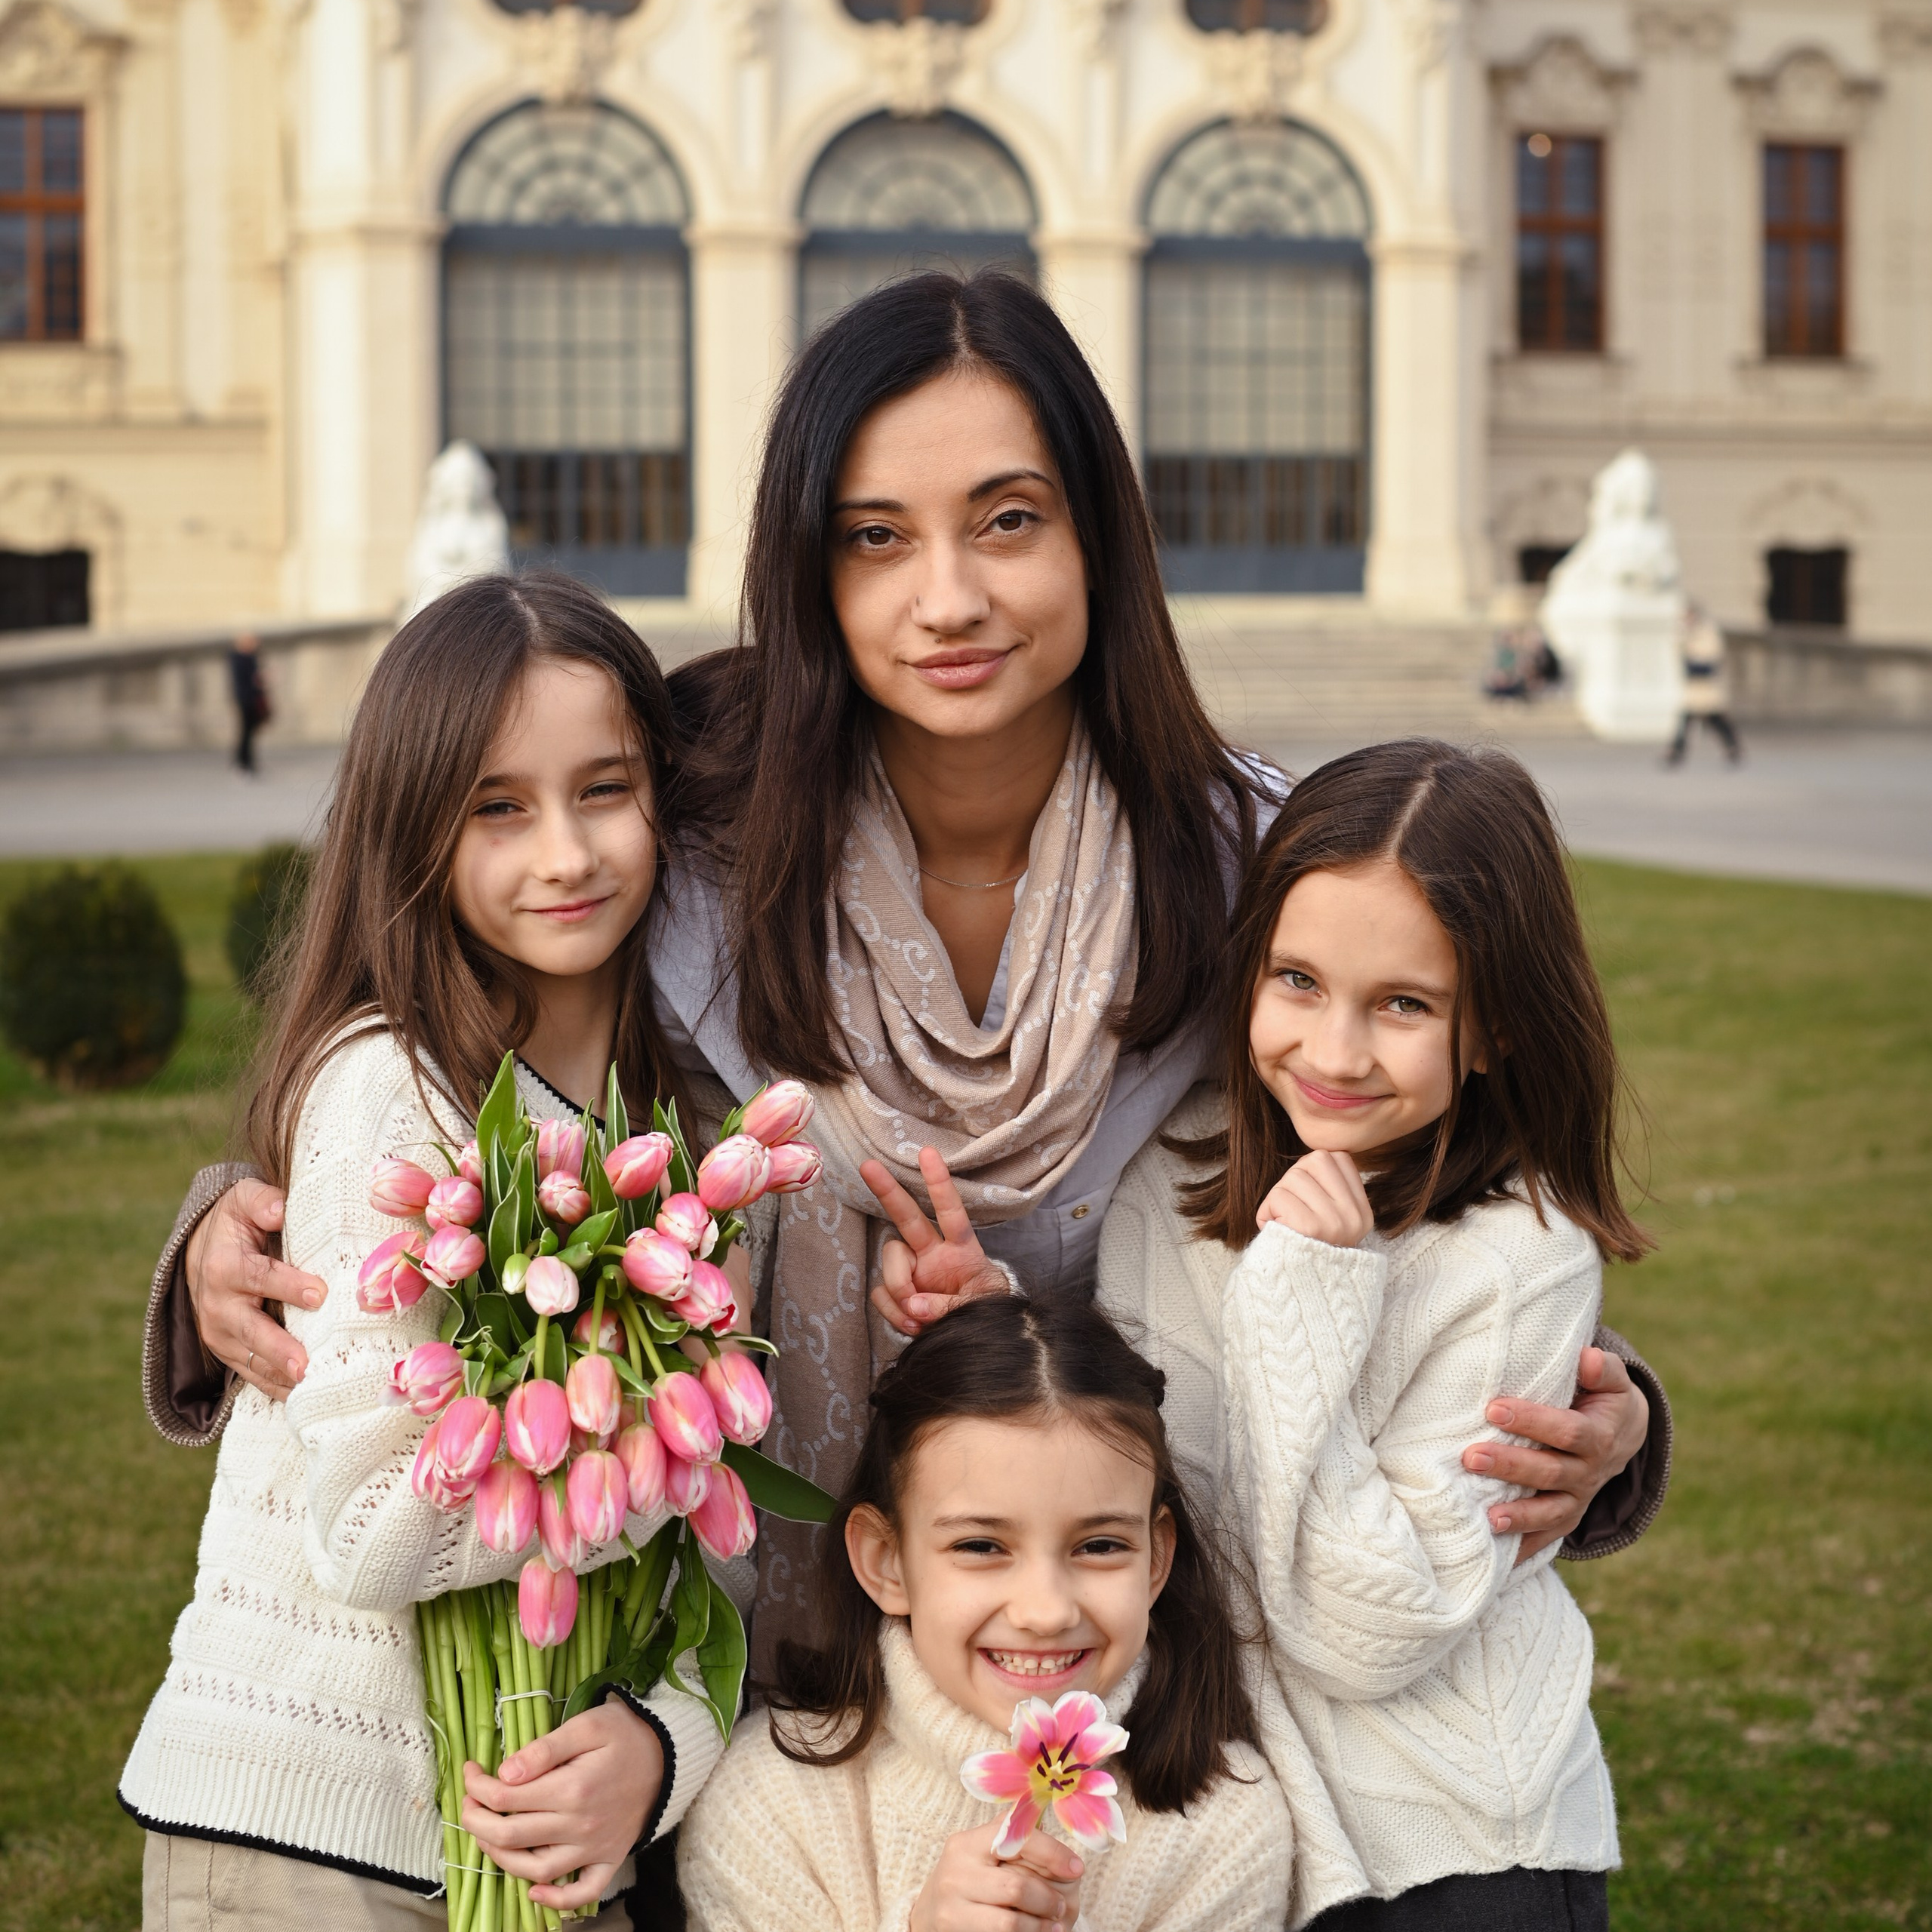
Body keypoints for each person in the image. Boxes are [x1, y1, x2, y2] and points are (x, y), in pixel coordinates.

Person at [141, 270, 1661, 1696]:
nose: (944, 598)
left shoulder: (1244, 866)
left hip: (1114, 1648)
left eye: (1005, 519)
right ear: (806, 564)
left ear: (1098, 539)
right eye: (874, 536)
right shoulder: (680, 831)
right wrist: (239, 1208)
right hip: (721, 1651)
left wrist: (1604, 1410)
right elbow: (433, 1019)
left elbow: (1444, 1185)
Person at [122, 574, 732, 1930]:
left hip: (539, 1838)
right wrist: (670, 1447)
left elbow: (712, 1578)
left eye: (607, 791)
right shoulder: (385, 1094)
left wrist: (664, 1748)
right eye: (497, 808)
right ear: (415, 828)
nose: (564, 854)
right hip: (304, 1840)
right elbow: (375, 1527)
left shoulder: (676, 1127)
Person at [1088, 738, 1655, 1927]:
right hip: (1231, 1822)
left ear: (1495, 1027)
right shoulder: (1170, 1185)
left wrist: (1305, 1298)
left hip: (1455, 1839)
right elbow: (1140, 1502)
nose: (1334, 1054)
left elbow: (1364, 1631)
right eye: (1296, 982)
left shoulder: (1520, 1261)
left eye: (1404, 1005)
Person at [678, 1294, 1299, 1932]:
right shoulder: (771, 1804)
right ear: (887, 1562)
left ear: (1156, 1559)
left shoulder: (1222, 1825)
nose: (1046, 1612)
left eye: (1100, 1546)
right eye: (981, 1546)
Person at [1666, 601, 1742, 765]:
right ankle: (1677, 750)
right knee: (1686, 720)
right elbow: (1678, 654)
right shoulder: (1684, 633)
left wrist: (1694, 659)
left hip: (1708, 686)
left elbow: (1712, 658)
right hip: (1694, 687)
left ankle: (1732, 746)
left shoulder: (1708, 631)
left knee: (1716, 719)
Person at [229, 630, 269, 773]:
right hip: (247, 700)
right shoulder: (241, 658)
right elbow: (249, 680)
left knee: (249, 733)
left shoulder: (249, 657)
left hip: (251, 699)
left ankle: (247, 762)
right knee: (246, 733)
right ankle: (243, 763)